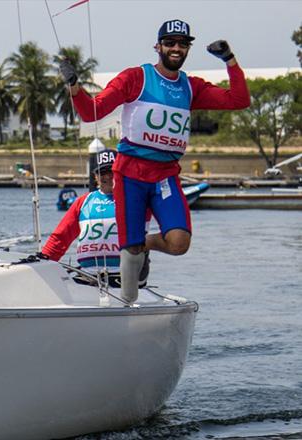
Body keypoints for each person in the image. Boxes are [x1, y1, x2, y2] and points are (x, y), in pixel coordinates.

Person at [59, 19, 250, 302]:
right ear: (157, 46)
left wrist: (229, 60)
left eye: (183, 44)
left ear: (187, 49)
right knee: (130, 252)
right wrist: (74, 86)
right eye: (170, 43)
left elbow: (239, 99)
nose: (176, 48)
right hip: (131, 175)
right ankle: (127, 304)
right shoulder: (135, 78)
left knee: (179, 243)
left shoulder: (190, 87)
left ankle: (145, 244)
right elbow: (91, 112)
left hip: (165, 176)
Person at [41, 150, 148, 288]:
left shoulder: (135, 199)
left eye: (112, 171)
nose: (108, 176)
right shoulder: (83, 202)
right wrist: (42, 262)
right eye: (103, 172)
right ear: (95, 176)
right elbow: (60, 238)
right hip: (87, 276)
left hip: (123, 274)